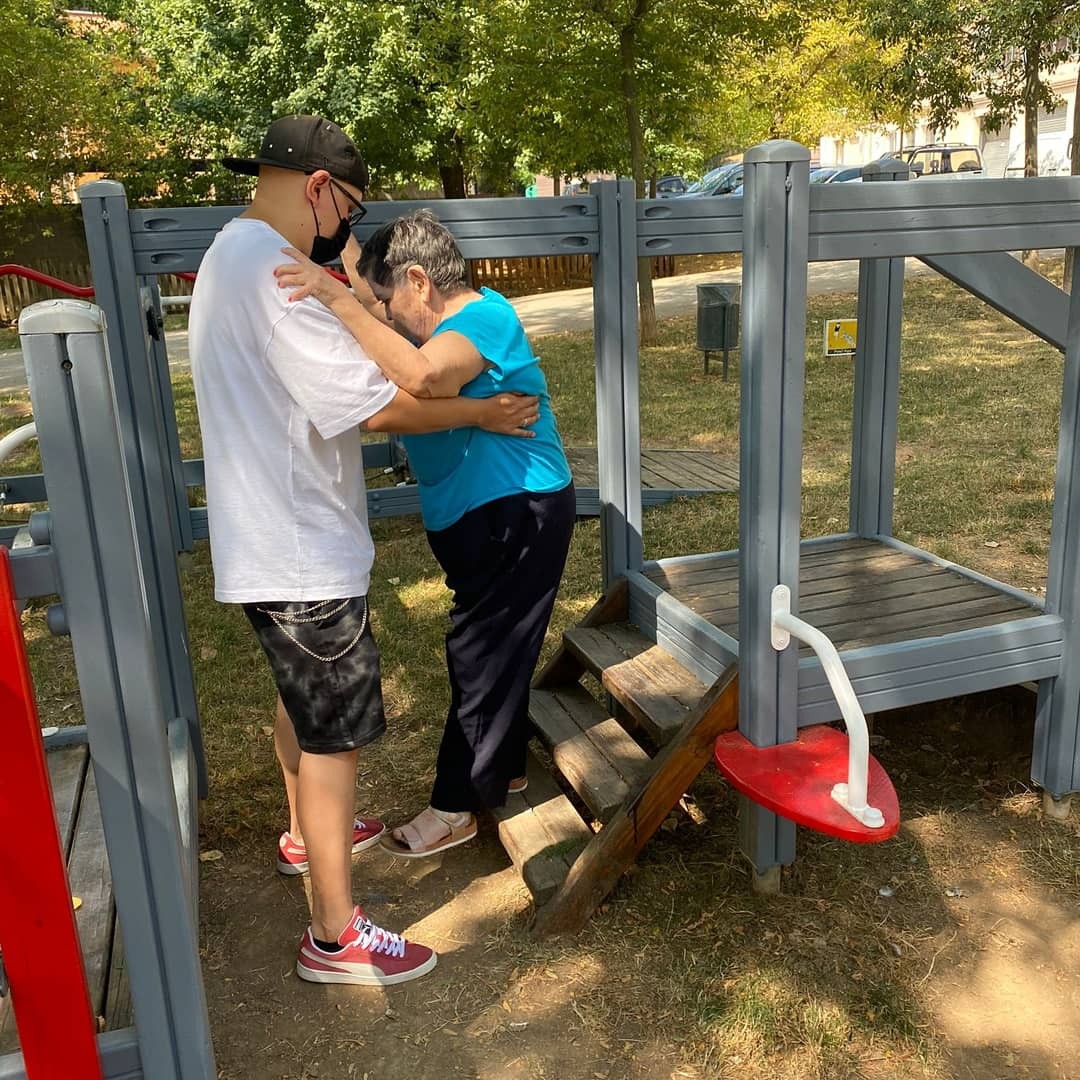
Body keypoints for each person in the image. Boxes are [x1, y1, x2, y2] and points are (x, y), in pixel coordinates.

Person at [188, 116, 540, 985]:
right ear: (319, 188)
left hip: (268, 536)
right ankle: (335, 936)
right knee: (335, 735)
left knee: (303, 707)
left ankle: (306, 834)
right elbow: (380, 403)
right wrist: (481, 412)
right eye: (348, 207)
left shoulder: (229, 253)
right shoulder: (278, 276)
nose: (347, 227)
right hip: (301, 547)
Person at [274, 209, 575, 858]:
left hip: (517, 508)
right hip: (474, 516)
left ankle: (455, 806)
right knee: (492, 649)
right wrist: (343, 247)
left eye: (388, 301)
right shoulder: (422, 323)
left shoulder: (484, 319)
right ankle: (504, 770)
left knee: (480, 653)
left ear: (419, 281)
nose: (381, 314)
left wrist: (334, 297)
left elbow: (425, 379)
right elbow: (387, 367)